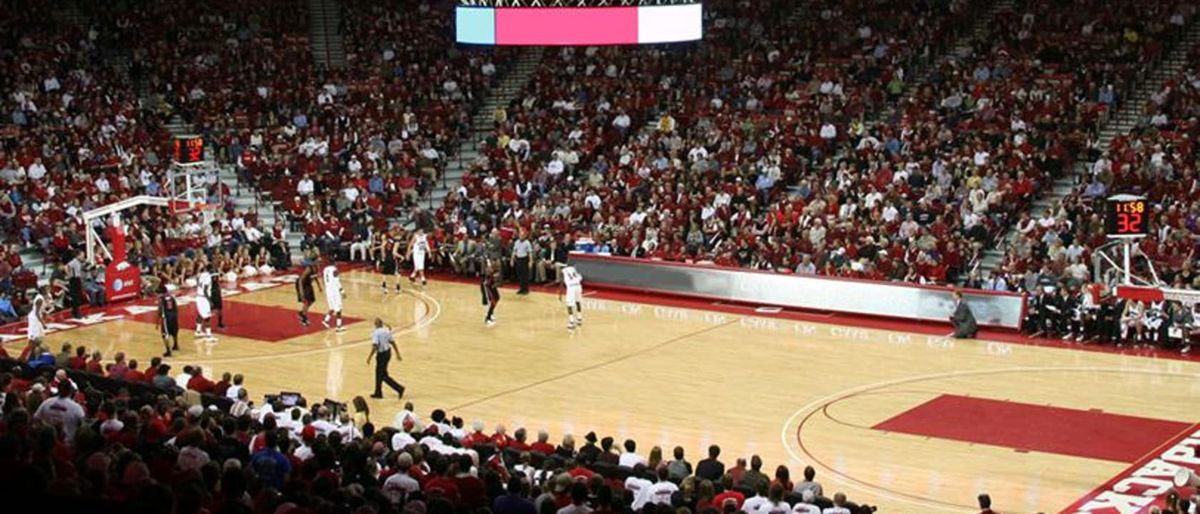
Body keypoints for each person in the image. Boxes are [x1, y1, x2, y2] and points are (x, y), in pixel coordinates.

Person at [367, 318, 405, 399]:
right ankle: (378, 392)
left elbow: (375, 346)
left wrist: (370, 356)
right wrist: (397, 353)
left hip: (381, 355)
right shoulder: (387, 331)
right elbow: (393, 342)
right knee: (379, 374)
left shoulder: (376, 333)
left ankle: (399, 388)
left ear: (376, 324)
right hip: (388, 353)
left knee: (382, 376)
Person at [25, 285, 49, 358]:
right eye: (47, 289)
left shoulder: (41, 297)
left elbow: (39, 310)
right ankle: (29, 353)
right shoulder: (40, 299)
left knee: (38, 337)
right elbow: (37, 313)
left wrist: (46, 315)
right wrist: (43, 323)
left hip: (36, 317)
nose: (48, 290)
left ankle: (35, 352)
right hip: (34, 318)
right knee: (33, 337)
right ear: (43, 291)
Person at [321, 261, 345, 331]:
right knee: (339, 309)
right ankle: (339, 326)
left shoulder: (325, 270)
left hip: (328, 290)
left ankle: (325, 321)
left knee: (332, 307)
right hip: (334, 291)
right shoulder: (334, 269)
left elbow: (324, 280)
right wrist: (342, 291)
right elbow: (337, 281)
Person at [195, 267, 216, 341]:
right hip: (203, 298)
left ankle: (198, 331)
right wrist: (210, 301)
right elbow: (205, 290)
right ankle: (209, 335)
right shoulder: (208, 278)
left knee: (201, 314)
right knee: (207, 317)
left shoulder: (202, 274)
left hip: (198, 296)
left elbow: (197, 278)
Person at [158, 285, 180, 357]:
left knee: (164, 334)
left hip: (166, 318)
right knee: (174, 331)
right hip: (174, 316)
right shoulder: (172, 297)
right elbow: (176, 307)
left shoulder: (161, 298)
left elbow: (160, 309)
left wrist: (157, 321)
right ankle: (175, 345)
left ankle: (168, 351)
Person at [561, 264, 584, 330]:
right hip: (578, 286)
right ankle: (579, 319)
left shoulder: (563, 271)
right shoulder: (573, 268)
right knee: (578, 302)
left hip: (571, 287)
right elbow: (580, 277)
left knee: (569, 305)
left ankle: (571, 322)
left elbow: (562, 283)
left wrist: (560, 294)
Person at [511, 229, 533, 295]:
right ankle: (521, 288)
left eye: (522, 235)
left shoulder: (527, 243)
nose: (521, 236)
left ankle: (526, 289)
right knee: (519, 274)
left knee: (524, 275)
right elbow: (514, 251)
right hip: (518, 259)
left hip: (524, 259)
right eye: (520, 235)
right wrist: (512, 259)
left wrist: (530, 261)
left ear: (525, 236)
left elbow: (530, 253)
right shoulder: (516, 242)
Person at [67, 251, 87, 318]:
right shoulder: (74, 262)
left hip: (77, 279)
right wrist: (69, 275)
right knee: (75, 297)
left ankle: (75, 311)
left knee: (78, 296)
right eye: (82, 255)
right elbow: (67, 266)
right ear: (78, 255)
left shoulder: (79, 262)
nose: (83, 257)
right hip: (74, 279)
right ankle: (76, 312)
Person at [482, 261, 500, 326]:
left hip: (492, 286)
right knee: (493, 301)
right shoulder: (489, 271)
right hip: (488, 287)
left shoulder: (496, 271)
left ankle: (491, 313)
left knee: (498, 297)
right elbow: (487, 282)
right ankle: (487, 318)